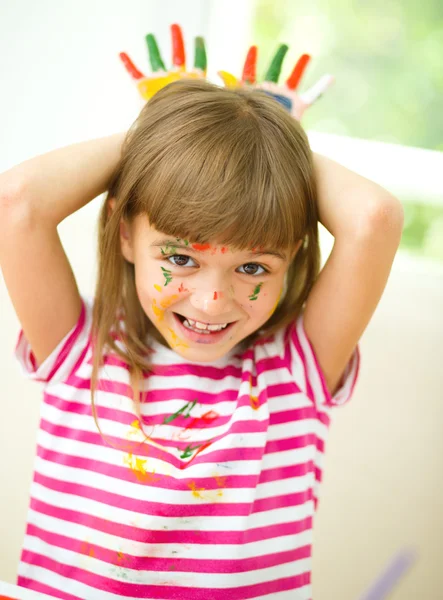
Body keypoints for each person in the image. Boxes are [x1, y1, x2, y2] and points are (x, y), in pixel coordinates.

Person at [0, 77, 403, 599]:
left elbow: (375, 218)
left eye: (253, 266)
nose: (213, 301)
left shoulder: (295, 371)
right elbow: (16, 200)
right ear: (126, 234)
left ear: (293, 256)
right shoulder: (81, 350)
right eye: (181, 258)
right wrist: (167, 136)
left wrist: (272, 137)